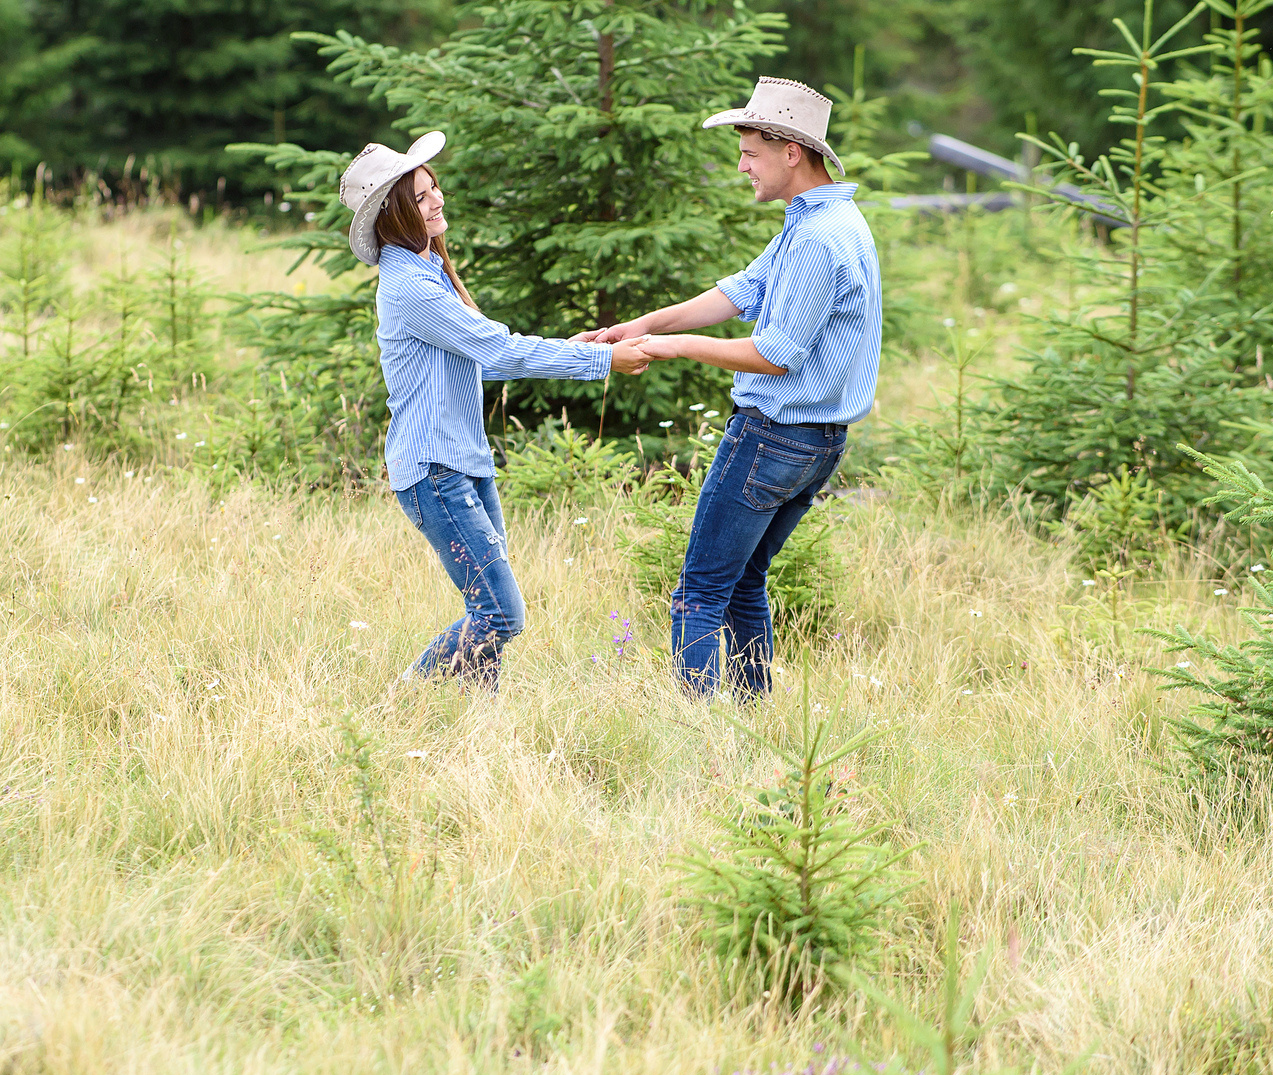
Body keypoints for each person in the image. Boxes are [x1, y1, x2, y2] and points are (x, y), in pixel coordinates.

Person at [574, 78, 881, 697]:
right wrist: (641, 324)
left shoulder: (822, 238)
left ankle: (697, 728)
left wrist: (669, 347)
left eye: (750, 153)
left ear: (791, 151)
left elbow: (774, 355)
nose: (741, 165)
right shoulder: (820, 222)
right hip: (814, 444)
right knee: (744, 582)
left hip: (773, 437)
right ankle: (751, 715)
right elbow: (740, 292)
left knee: (699, 591)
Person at [341, 133, 654, 689]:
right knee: (501, 612)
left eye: (435, 186)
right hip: (435, 470)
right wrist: (602, 361)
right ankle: (404, 699)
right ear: (393, 214)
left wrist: (579, 349)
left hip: (464, 463)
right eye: (421, 195)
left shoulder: (427, 270)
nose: (437, 199)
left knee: (490, 611)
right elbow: (499, 349)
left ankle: (473, 721)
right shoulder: (410, 285)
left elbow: (485, 354)